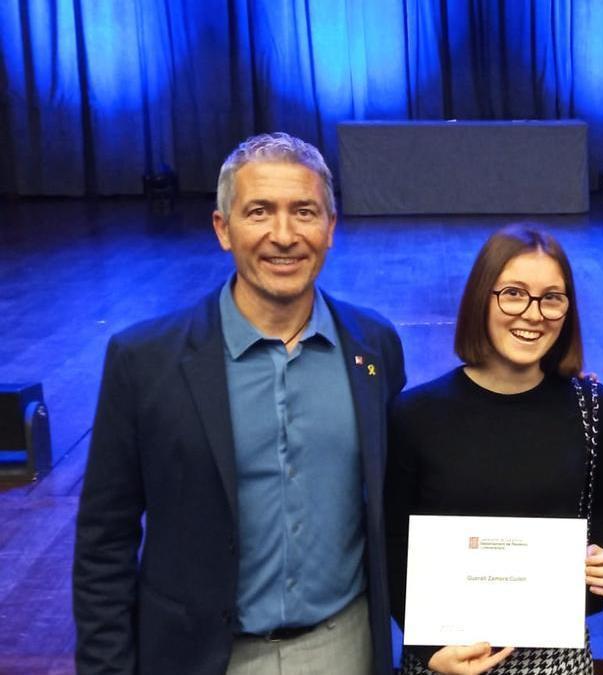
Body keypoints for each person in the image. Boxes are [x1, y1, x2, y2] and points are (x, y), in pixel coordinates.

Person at [72, 133, 406, 675]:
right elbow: (104, 542)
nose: (284, 235)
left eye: (304, 211)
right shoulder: (143, 361)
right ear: (223, 229)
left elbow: (401, 497)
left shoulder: (375, 347)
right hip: (199, 658)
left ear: (330, 228)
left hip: (346, 649)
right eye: (258, 212)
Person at [385, 225, 603, 675]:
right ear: (482, 297)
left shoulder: (594, 408)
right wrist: (428, 648)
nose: (533, 314)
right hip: (446, 657)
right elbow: (395, 542)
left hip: (555, 657)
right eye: (514, 293)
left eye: (552, 298)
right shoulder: (415, 414)